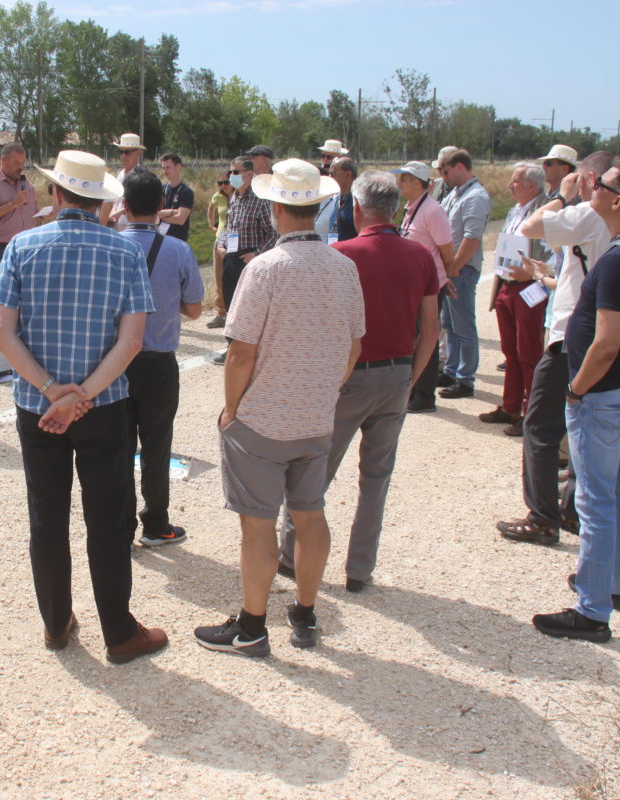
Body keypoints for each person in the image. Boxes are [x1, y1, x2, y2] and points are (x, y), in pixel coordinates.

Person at [0, 150, 166, 664]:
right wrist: (81, 395)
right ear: (101, 201)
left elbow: (1, 332)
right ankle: (119, 632)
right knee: (108, 520)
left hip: (36, 408)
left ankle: (56, 621)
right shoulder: (125, 252)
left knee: (47, 516)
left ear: (56, 194)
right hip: (103, 407)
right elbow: (131, 342)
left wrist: (51, 392)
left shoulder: (22, 245)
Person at [194, 159, 363, 657]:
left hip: (263, 420)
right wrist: (325, 390)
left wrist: (231, 410)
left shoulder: (264, 268)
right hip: (315, 417)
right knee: (310, 516)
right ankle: (306, 612)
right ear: (319, 205)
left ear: (275, 209)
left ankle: (251, 625)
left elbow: (242, 350)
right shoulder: (344, 266)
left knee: (258, 523)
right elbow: (354, 345)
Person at [275, 171, 437, 592]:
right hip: (398, 373)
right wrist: (411, 378)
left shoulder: (342, 253)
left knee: (314, 474)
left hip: (349, 377)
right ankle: (359, 569)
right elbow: (432, 328)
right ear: (396, 209)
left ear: (358, 209)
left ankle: (293, 556)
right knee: (376, 479)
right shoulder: (420, 255)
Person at [533, 157, 620, 642]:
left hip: (604, 395)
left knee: (594, 501)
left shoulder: (615, 260)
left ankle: (591, 611)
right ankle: (614, 585)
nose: (592, 186)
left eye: (602, 183)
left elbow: (606, 341)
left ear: (617, 200)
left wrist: (575, 389)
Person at [497, 151, 616, 546]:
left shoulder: (584, 213)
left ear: (589, 179)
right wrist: (546, 278)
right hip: (597, 329)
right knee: (583, 425)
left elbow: (532, 225)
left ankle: (542, 517)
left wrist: (563, 197)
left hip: (570, 335)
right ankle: (570, 508)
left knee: (541, 425)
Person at [119, 168, 204, 546]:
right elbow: (196, 309)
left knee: (116, 447)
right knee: (156, 446)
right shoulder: (179, 250)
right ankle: (156, 524)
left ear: (123, 205)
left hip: (114, 363)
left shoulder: (110, 246)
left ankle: (118, 527)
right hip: (158, 363)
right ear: (160, 206)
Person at [480, 163, 550, 434]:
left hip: (530, 288)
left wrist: (533, 272)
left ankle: (531, 414)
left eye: (516, 181)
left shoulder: (545, 211)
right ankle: (510, 407)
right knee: (511, 352)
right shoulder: (514, 211)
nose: (510, 185)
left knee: (529, 353)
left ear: (532, 185)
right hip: (507, 286)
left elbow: (554, 253)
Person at [391, 161, 455, 413]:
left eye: (404, 179)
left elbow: (446, 250)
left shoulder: (432, 211)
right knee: (414, 338)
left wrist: (445, 277)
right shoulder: (410, 208)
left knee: (426, 336)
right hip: (414, 285)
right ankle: (415, 389)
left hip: (429, 286)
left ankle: (425, 395)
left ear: (416, 182)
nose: (400, 184)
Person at [437, 149, 491, 400]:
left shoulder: (475, 197)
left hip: (461, 269)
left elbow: (471, 237)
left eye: (446, 171)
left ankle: (465, 377)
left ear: (460, 166)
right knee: (449, 323)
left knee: (463, 324)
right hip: (451, 268)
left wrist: (454, 268)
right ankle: (451, 369)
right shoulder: (457, 194)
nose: (443, 177)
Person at [213, 155, 275, 364]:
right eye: (231, 172)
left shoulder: (260, 199)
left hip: (250, 259)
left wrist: (256, 254)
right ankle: (232, 347)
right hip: (231, 257)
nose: (232, 176)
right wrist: (222, 244)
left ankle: (253, 351)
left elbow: (273, 233)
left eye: (236, 172)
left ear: (249, 174)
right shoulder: (234, 197)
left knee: (248, 307)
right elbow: (230, 226)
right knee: (231, 305)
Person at [101, 132, 145, 229]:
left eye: (127, 153)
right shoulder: (121, 174)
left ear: (138, 153)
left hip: (131, 229)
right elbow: (114, 201)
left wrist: (115, 214)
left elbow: (138, 207)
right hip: (116, 228)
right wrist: (112, 214)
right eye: (121, 152)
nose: (123, 156)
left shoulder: (141, 177)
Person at [206, 171, 233, 328]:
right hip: (221, 237)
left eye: (226, 182)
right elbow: (211, 208)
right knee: (219, 276)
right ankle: (221, 312)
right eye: (220, 183)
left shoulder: (239, 197)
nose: (223, 186)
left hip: (237, 241)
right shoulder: (219, 197)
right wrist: (211, 225)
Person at [157, 153, 195, 241]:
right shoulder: (160, 189)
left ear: (178, 167)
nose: (165, 171)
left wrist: (160, 216)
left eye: (168, 167)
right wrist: (173, 212)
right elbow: (153, 214)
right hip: (160, 239)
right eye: (163, 168)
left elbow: (180, 219)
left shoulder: (186, 192)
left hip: (178, 239)